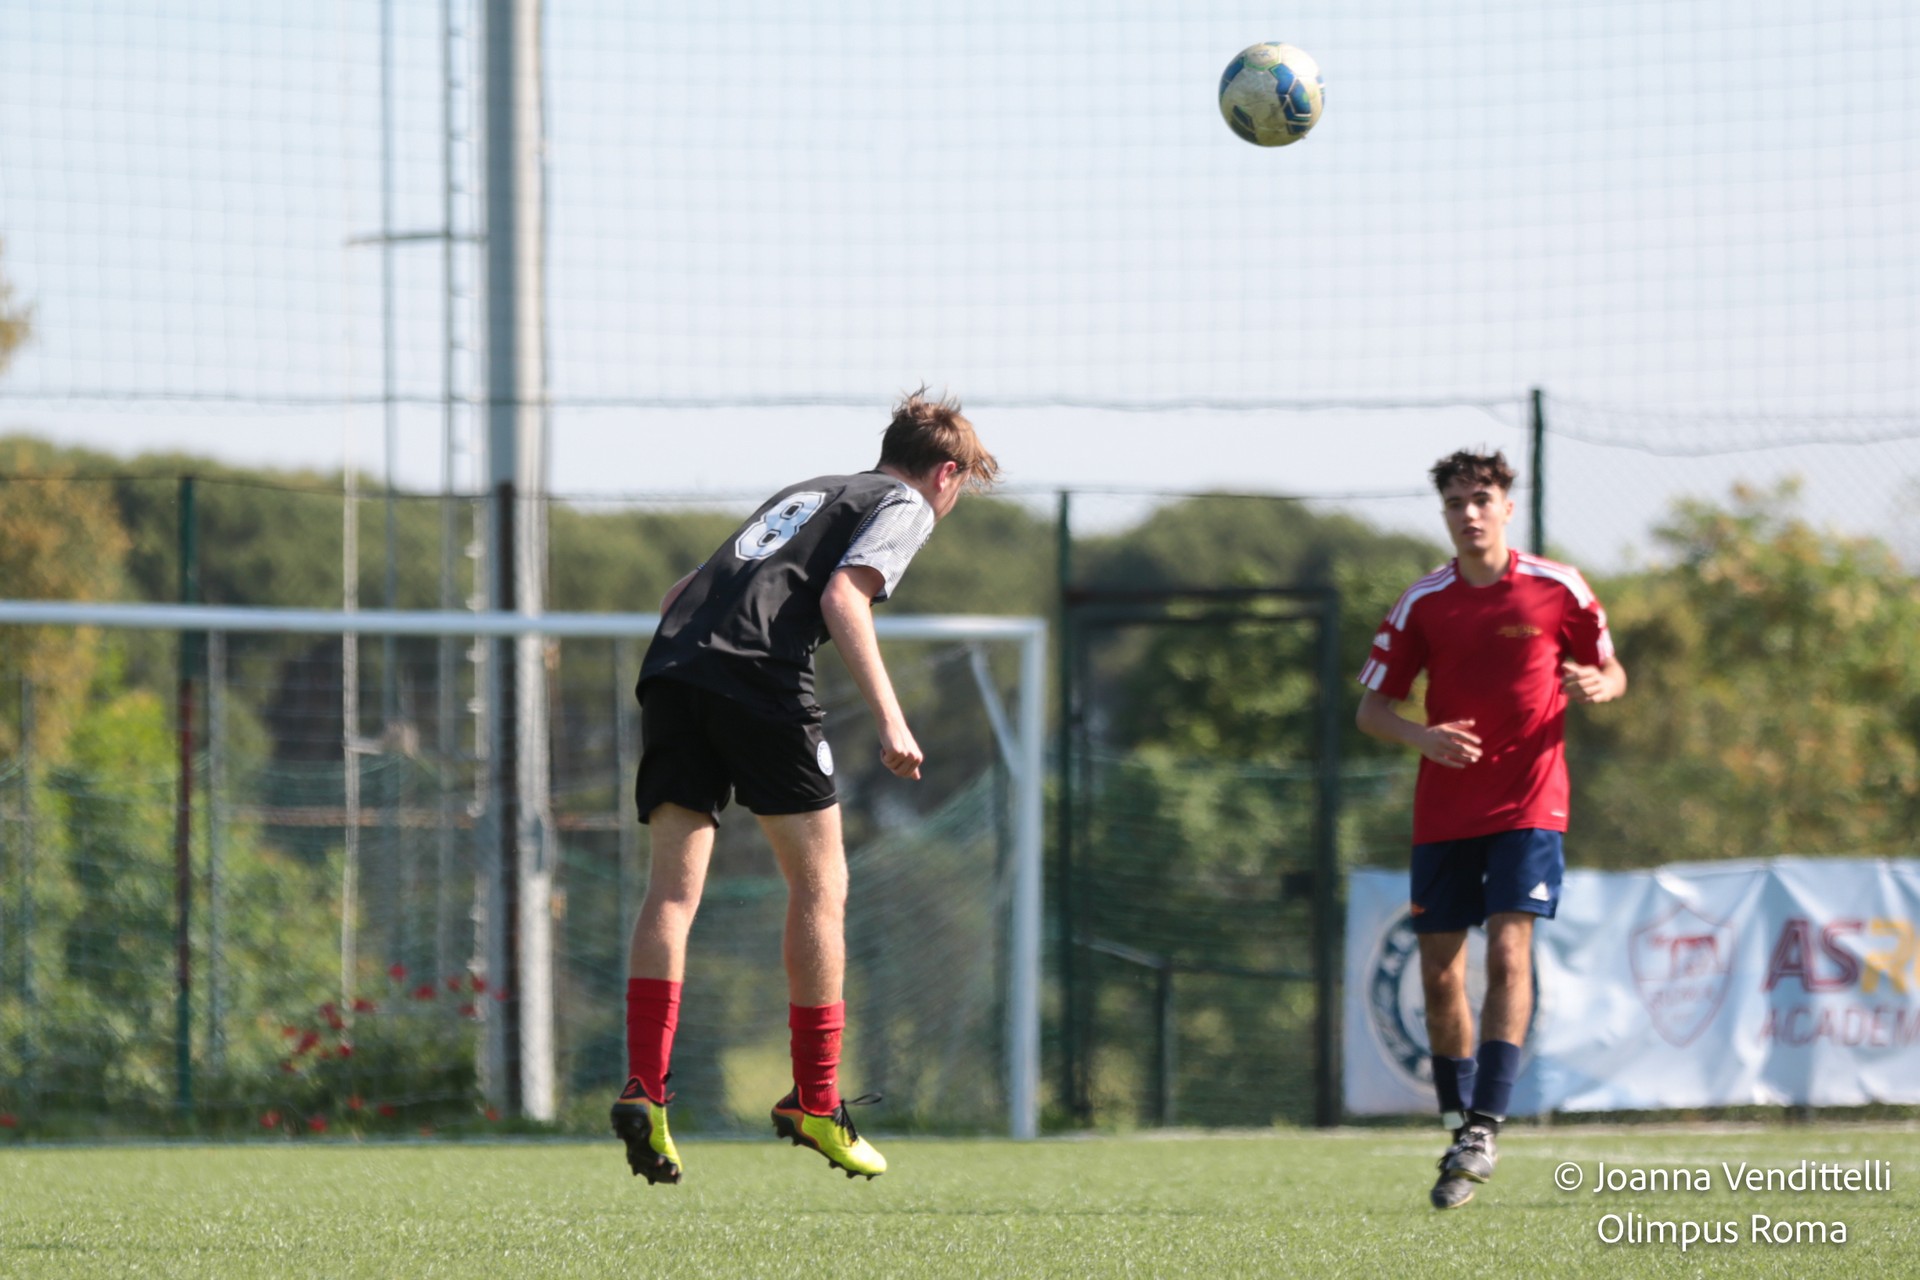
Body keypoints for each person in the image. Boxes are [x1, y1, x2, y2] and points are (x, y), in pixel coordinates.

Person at [611, 388, 999, 1186]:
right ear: (947, 474)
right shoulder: (904, 503)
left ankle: (645, 1087)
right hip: (758, 679)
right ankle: (816, 1101)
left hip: (673, 670)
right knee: (822, 886)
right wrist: (892, 720)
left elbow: (679, 595)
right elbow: (842, 597)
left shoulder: (809, 490)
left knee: (672, 894)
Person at [1355, 448, 1626, 1210]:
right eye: (1456, 503)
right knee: (1439, 975)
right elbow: (1371, 710)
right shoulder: (1423, 603)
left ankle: (1484, 1128)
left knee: (1509, 952)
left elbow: (1611, 670)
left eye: (1481, 499)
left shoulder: (1559, 587)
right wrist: (1424, 737)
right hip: (1445, 811)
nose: (1469, 513)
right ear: (1444, 514)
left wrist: (1599, 683)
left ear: (1507, 506)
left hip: (1530, 804)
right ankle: (1457, 1125)